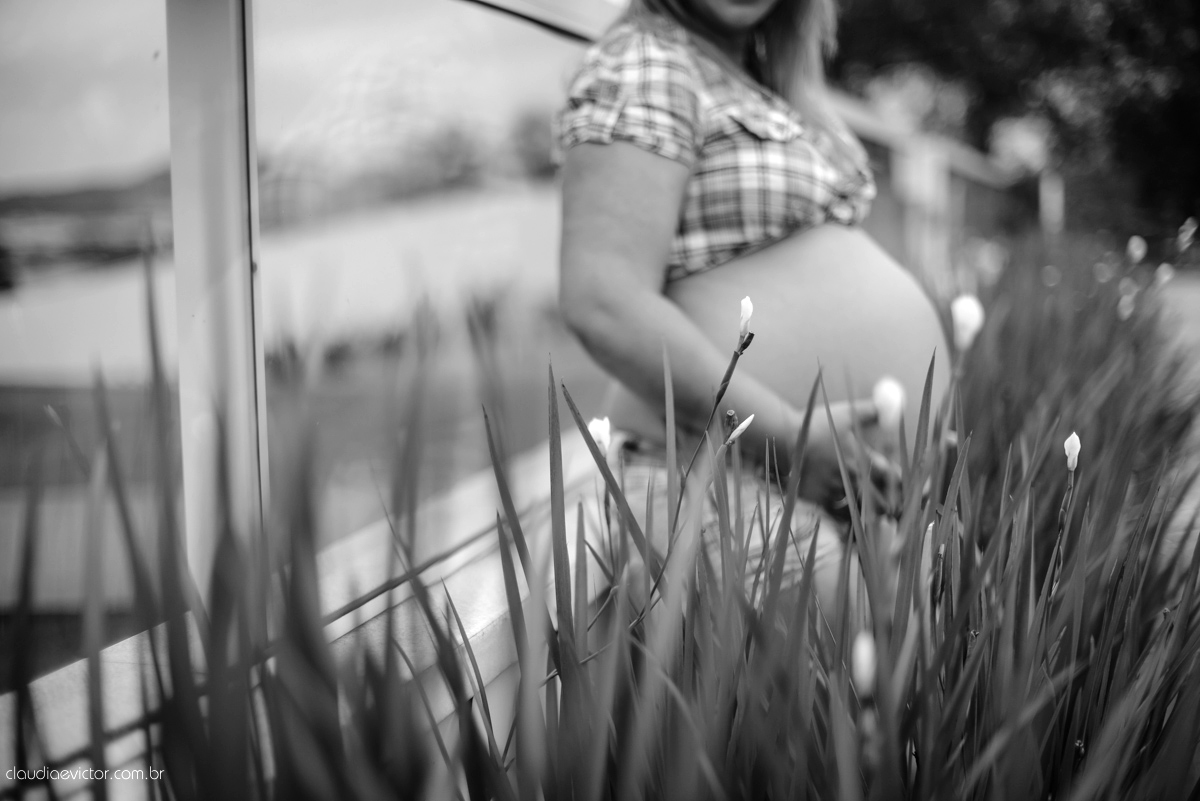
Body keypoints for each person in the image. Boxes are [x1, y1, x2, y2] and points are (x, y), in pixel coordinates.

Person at [555, 0, 949, 611]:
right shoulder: (645, 63)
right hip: (728, 476)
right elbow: (604, 301)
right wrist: (789, 438)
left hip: (850, 486)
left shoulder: (767, 79)